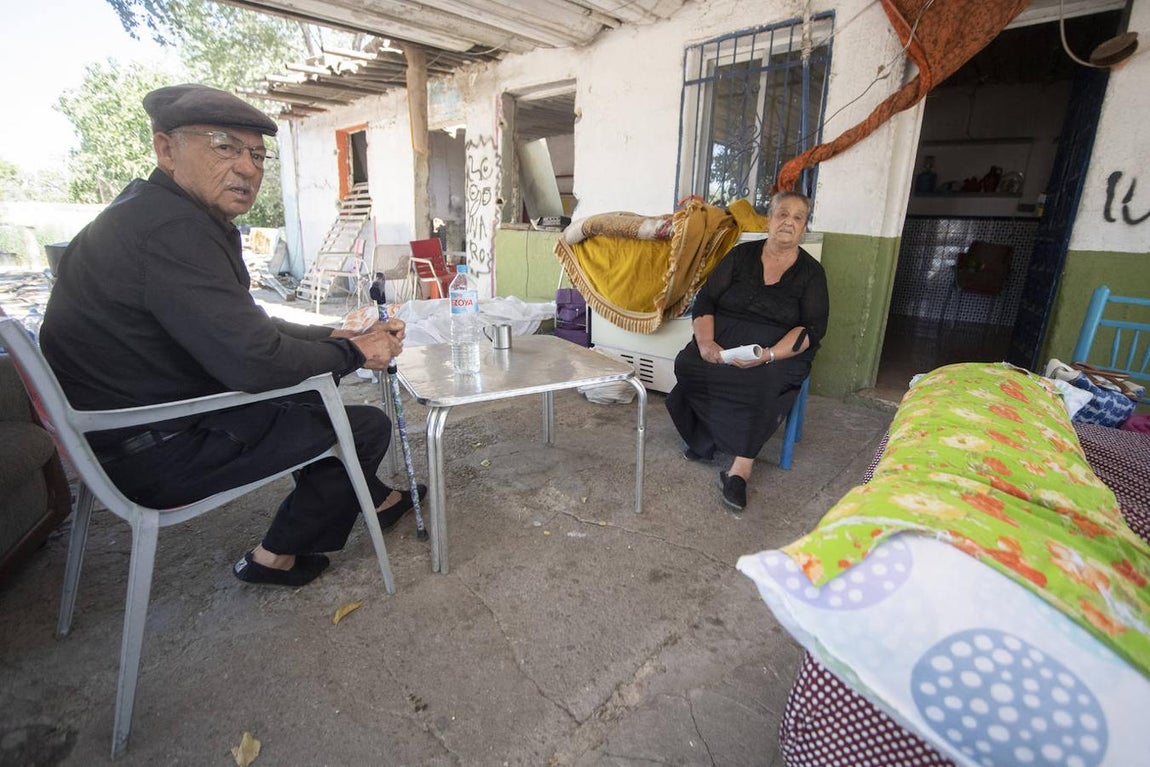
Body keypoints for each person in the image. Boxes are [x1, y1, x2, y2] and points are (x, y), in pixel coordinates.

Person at [39, 84, 425, 587]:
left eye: (258, 155)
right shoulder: (171, 231)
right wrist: (354, 351)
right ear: (166, 149)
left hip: (129, 426)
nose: (248, 168)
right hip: (157, 448)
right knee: (360, 426)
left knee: (312, 404)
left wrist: (330, 331)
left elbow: (243, 326)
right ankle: (275, 557)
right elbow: (256, 363)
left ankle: (378, 498)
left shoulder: (154, 212)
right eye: (224, 146)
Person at [665, 191, 828, 510]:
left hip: (777, 351)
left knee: (764, 382)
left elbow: (811, 328)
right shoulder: (741, 256)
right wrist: (707, 343)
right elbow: (707, 300)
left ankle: (740, 468)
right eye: (782, 214)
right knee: (689, 364)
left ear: (804, 227)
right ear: (769, 219)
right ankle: (706, 437)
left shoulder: (811, 274)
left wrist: (766, 355)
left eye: (798, 217)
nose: (788, 222)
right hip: (722, 338)